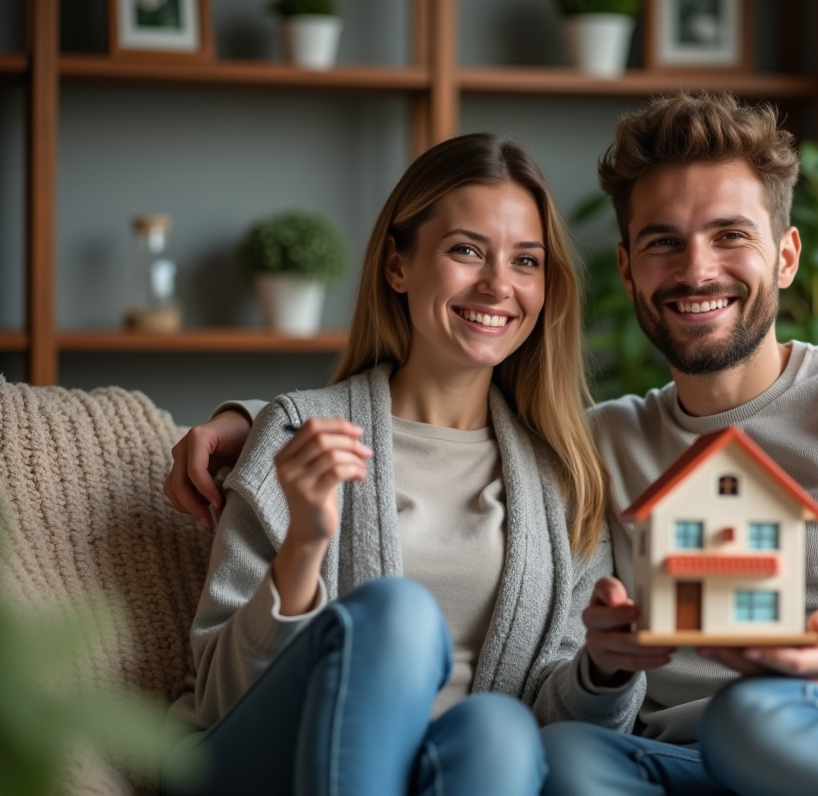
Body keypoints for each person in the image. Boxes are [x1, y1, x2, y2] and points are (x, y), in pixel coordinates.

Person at [166, 95, 818, 796]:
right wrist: (260, 422)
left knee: (748, 719)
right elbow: (425, 415)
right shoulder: (595, 446)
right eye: (664, 242)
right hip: (688, 760)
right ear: (627, 270)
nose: (696, 270)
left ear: (784, 256)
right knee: (577, 762)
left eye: (729, 236)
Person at [160, 133, 642, 796]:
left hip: (443, 772)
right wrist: (303, 547)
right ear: (397, 266)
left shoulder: (565, 477)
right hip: (259, 764)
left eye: (525, 261)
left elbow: (559, 723)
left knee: (502, 730)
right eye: (466, 250)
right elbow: (219, 695)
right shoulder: (298, 433)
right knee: (397, 616)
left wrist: (605, 672)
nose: (499, 285)